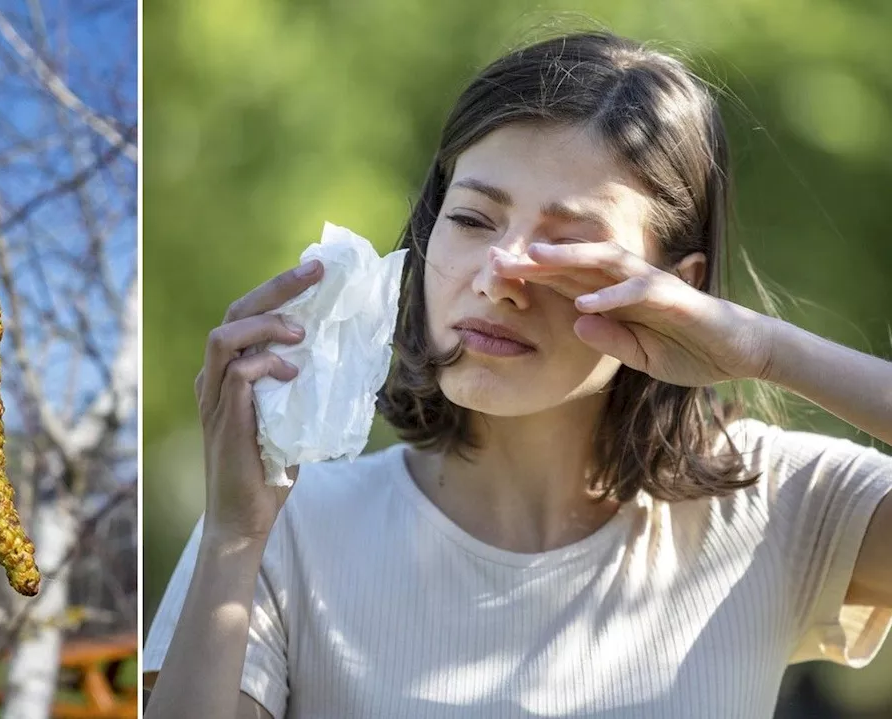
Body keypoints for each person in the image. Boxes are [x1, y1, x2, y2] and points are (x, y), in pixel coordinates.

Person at [141, 30, 893, 719]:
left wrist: (768, 350)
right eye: (472, 220)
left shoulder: (772, 506)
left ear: (680, 289)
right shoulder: (284, 526)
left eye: (570, 247)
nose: (501, 279)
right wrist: (234, 539)